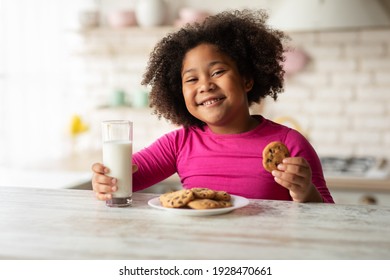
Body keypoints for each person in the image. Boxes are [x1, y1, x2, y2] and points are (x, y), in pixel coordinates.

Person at [92, 9, 334, 203]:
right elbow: (123, 179)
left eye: (217, 72)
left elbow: (331, 217)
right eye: (191, 79)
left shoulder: (290, 143)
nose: (205, 85)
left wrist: (305, 192)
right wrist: (105, 180)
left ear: (247, 79)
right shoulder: (179, 144)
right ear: (179, 91)